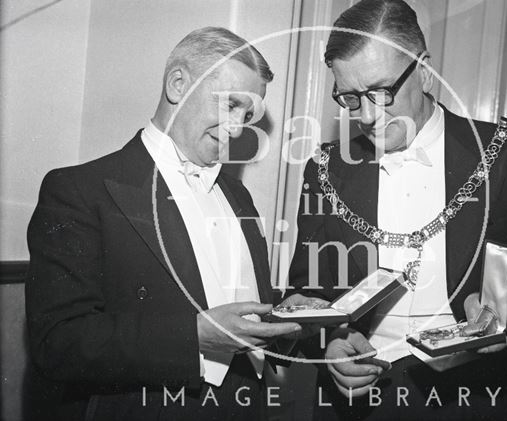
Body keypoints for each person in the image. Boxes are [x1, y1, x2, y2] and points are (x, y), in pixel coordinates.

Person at [285, 0, 507, 419]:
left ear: (424, 70)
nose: (369, 116)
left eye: (382, 91)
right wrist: (329, 345)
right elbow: (307, 293)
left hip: (480, 397)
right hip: (359, 404)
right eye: (351, 99)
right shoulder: (325, 169)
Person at [25, 27, 301, 421]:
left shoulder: (239, 197)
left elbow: (245, 308)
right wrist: (194, 337)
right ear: (178, 84)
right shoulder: (79, 190)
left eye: (248, 114)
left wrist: (287, 318)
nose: (238, 128)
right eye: (230, 105)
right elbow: (58, 343)